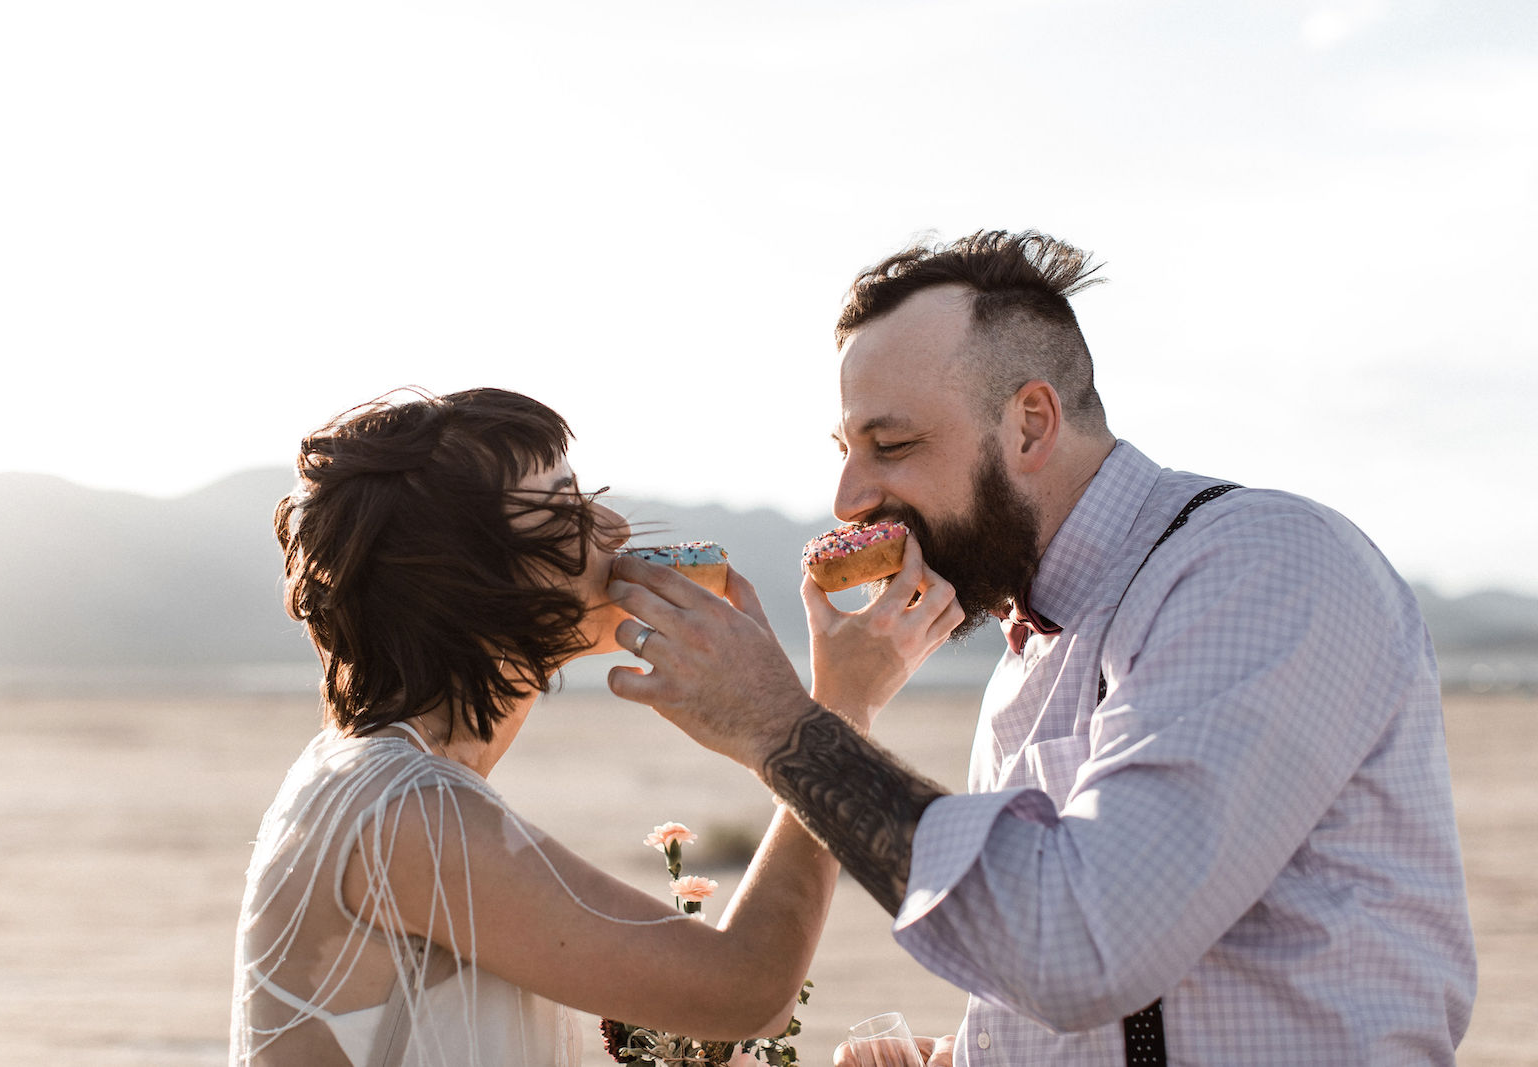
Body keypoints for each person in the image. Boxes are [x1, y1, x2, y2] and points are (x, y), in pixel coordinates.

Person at [606, 231, 1477, 1065]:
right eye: (845, 449)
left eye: (892, 444)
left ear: (1030, 424)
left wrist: (782, 724)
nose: (847, 498)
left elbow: (1090, 942)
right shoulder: (1025, 658)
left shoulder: (1259, 565)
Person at [230, 387, 850, 1066]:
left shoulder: (367, 775)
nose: (613, 529)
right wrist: (835, 718)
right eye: (566, 513)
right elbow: (747, 990)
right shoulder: (408, 812)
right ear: (470, 583)